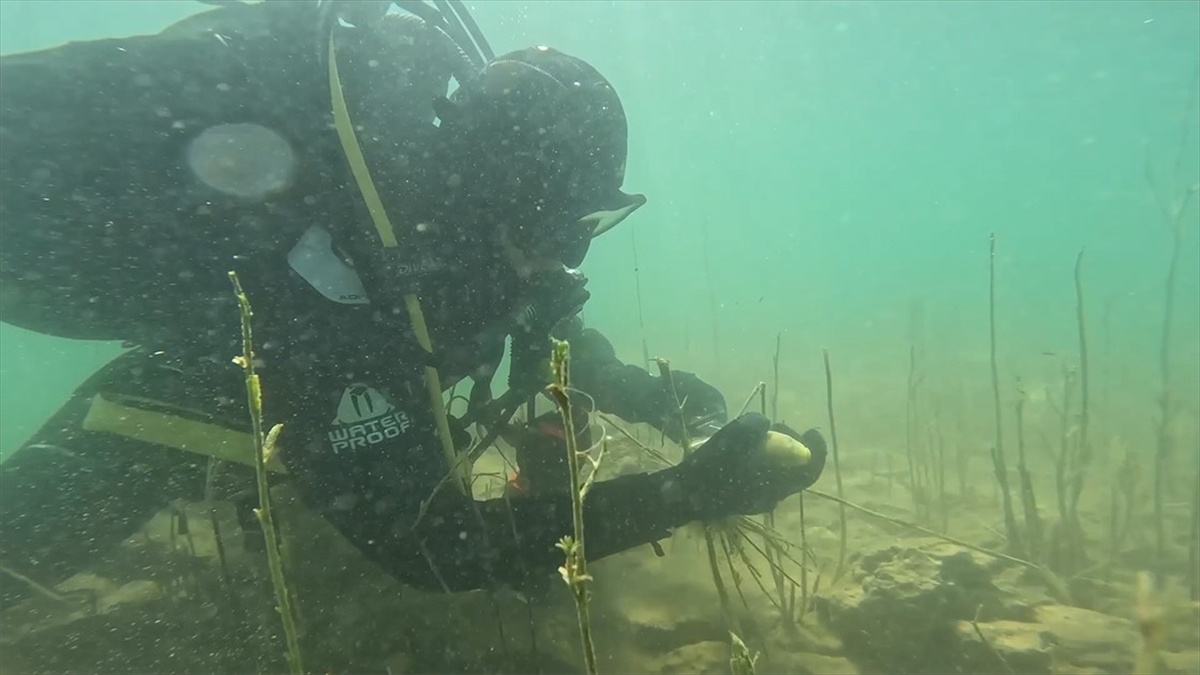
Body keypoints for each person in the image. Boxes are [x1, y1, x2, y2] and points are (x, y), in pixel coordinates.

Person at [0, 0, 826, 609]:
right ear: (493, 200)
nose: (567, 257)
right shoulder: (349, 276)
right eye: (556, 227)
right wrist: (684, 494)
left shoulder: (466, 246)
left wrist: (682, 408)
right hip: (116, 310)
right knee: (55, 527)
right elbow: (433, 549)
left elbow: (560, 336)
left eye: (587, 228)